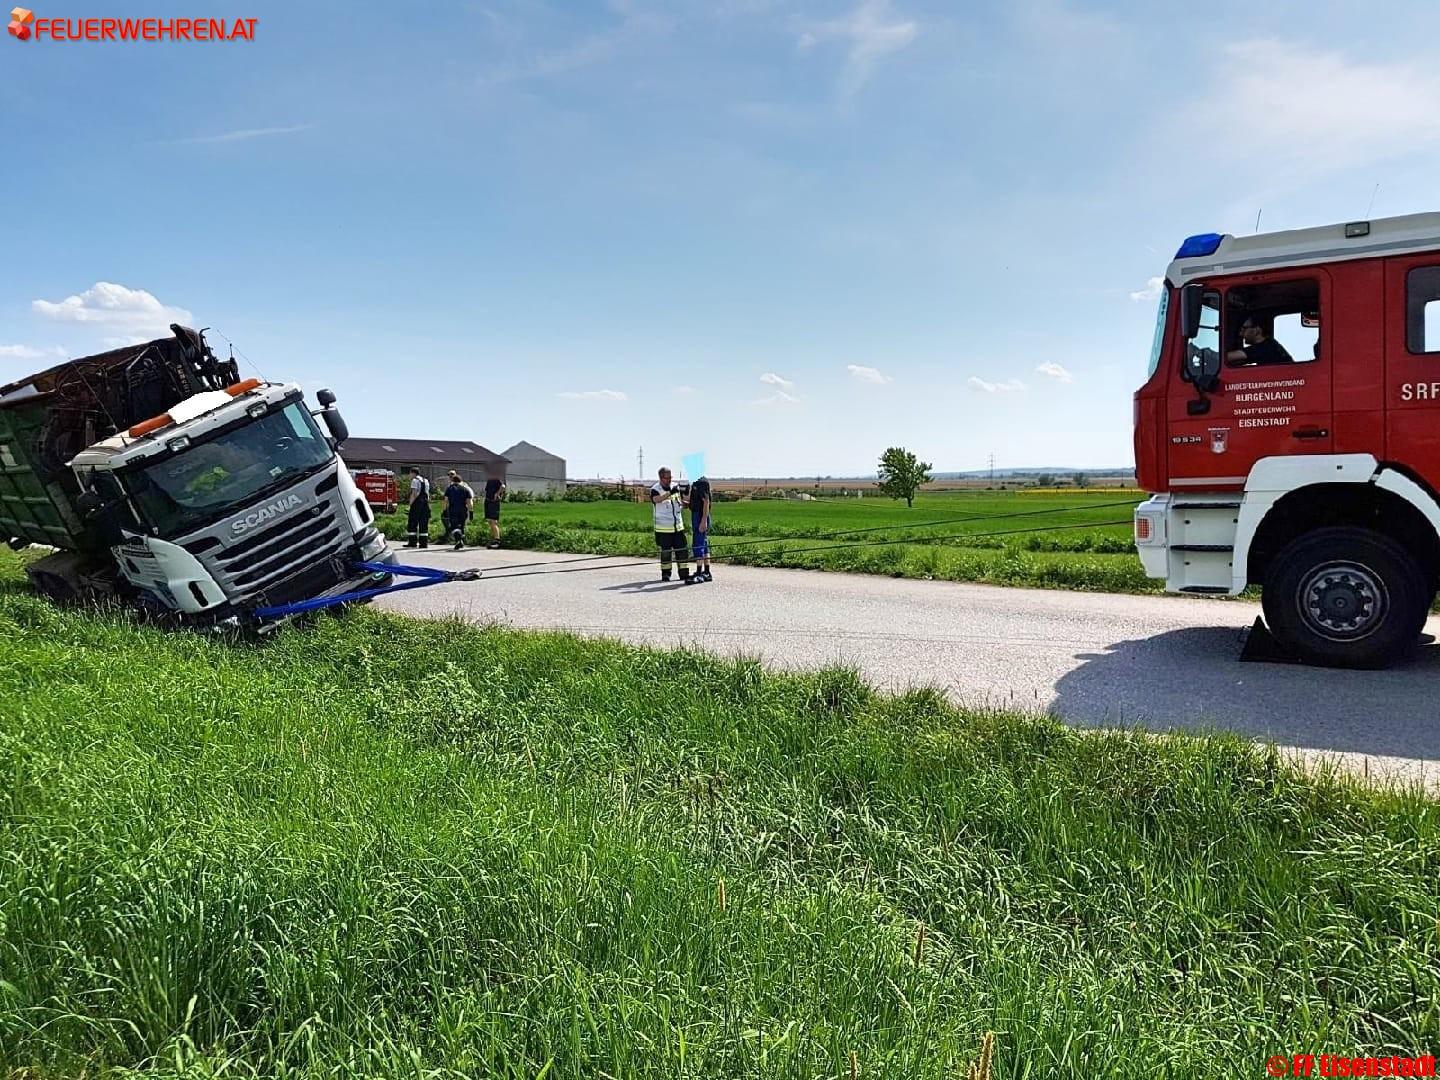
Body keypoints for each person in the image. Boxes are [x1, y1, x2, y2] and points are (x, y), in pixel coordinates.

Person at [650, 467, 690, 583]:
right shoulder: (655, 489)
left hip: (678, 526)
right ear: (661, 478)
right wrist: (669, 493)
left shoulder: (675, 486)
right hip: (663, 528)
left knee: (682, 551)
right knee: (666, 552)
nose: (669, 480)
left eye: (670, 477)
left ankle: (684, 573)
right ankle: (666, 574)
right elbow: (656, 500)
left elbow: (679, 502)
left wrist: (686, 503)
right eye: (667, 478)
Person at [1226, 317, 1294, 366]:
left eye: (1244, 329)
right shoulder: (1270, 344)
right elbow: (1239, 361)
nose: (1240, 334)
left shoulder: (1264, 348)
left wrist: (1216, 356)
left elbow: (1226, 357)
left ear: (1257, 330)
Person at [686, 474, 713, 583]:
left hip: (700, 516)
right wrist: (689, 504)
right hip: (698, 514)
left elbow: (706, 501)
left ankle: (699, 573)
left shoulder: (701, 482)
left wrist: (703, 520)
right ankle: (706, 572)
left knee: (698, 544)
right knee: (704, 545)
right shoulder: (696, 482)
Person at [443, 470, 474, 550]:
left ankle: (458, 540)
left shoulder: (449, 489)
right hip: (463, 509)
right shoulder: (465, 489)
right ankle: (461, 540)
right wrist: (471, 512)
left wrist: (444, 510)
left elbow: (446, 500)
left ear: (453, 480)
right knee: (462, 526)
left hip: (453, 510)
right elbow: (469, 501)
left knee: (455, 526)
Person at [405, 466, 431, 549]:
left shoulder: (415, 481)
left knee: (413, 522)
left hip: (417, 504)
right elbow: (427, 493)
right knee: (424, 523)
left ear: (413, 473)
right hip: (425, 504)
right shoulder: (426, 480)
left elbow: (414, 493)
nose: (410, 475)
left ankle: (412, 542)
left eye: (410, 473)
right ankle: (424, 543)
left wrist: (410, 505)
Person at [482, 474, 506, 549]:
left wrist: (497, 494)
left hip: (493, 502)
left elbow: (503, 486)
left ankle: (497, 540)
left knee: (493, 521)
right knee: (489, 521)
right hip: (488, 501)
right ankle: (494, 539)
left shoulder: (496, 478)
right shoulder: (489, 480)